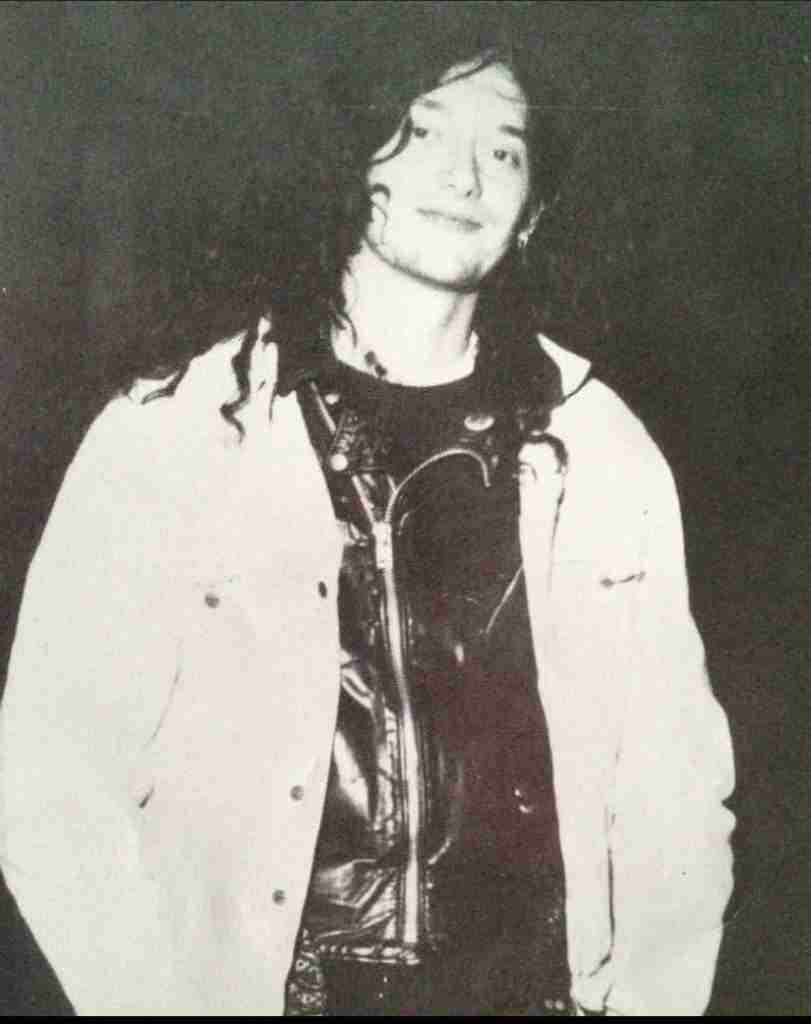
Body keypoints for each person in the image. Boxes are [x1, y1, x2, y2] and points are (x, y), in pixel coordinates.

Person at [0, 16, 735, 1017]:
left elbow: (673, 791)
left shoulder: (598, 447)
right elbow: (53, 775)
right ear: (351, 159)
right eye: (421, 130)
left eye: (503, 150)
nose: (462, 176)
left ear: (531, 210)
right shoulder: (178, 432)